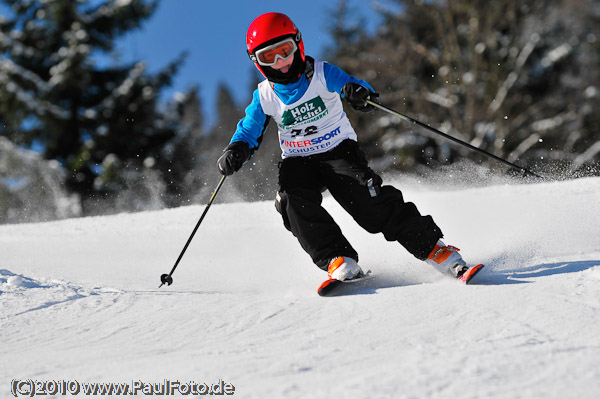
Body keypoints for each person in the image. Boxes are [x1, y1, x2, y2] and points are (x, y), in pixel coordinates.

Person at [217, 12, 472, 282]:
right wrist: (237, 149)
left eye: (285, 51)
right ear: (257, 61)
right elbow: (249, 130)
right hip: (298, 159)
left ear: (298, 44)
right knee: (290, 200)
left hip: (337, 149)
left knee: (368, 204)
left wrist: (358, 93)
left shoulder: (322, 73)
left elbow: (352, 84)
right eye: (270, 57)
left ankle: (435, 249)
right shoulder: (265, 95)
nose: (280, 62)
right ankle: (338, 258)